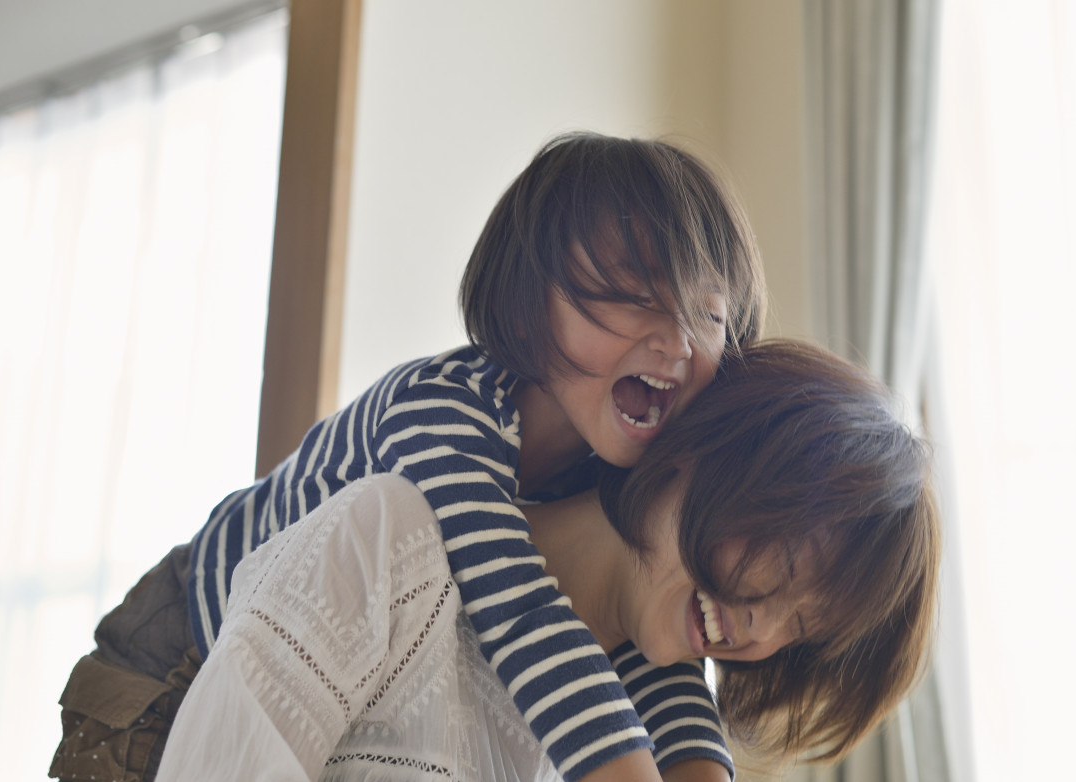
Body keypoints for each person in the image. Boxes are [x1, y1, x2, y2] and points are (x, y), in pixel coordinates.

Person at [51, 132, 766, 782]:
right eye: (637, 296)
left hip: (321, 685)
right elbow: (516, 604)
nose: (677, 341)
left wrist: (701, 764)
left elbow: (651, 637)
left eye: (708, 313)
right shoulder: (443, 413)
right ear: (525, 310)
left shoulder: (615, 467)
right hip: (176, 649)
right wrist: (621, 766)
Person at [155, 339, 941, 781]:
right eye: (786, 559)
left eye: (801, 627)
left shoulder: (655, 723)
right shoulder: (392, 533)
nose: (760, 623)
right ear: (706, 450)